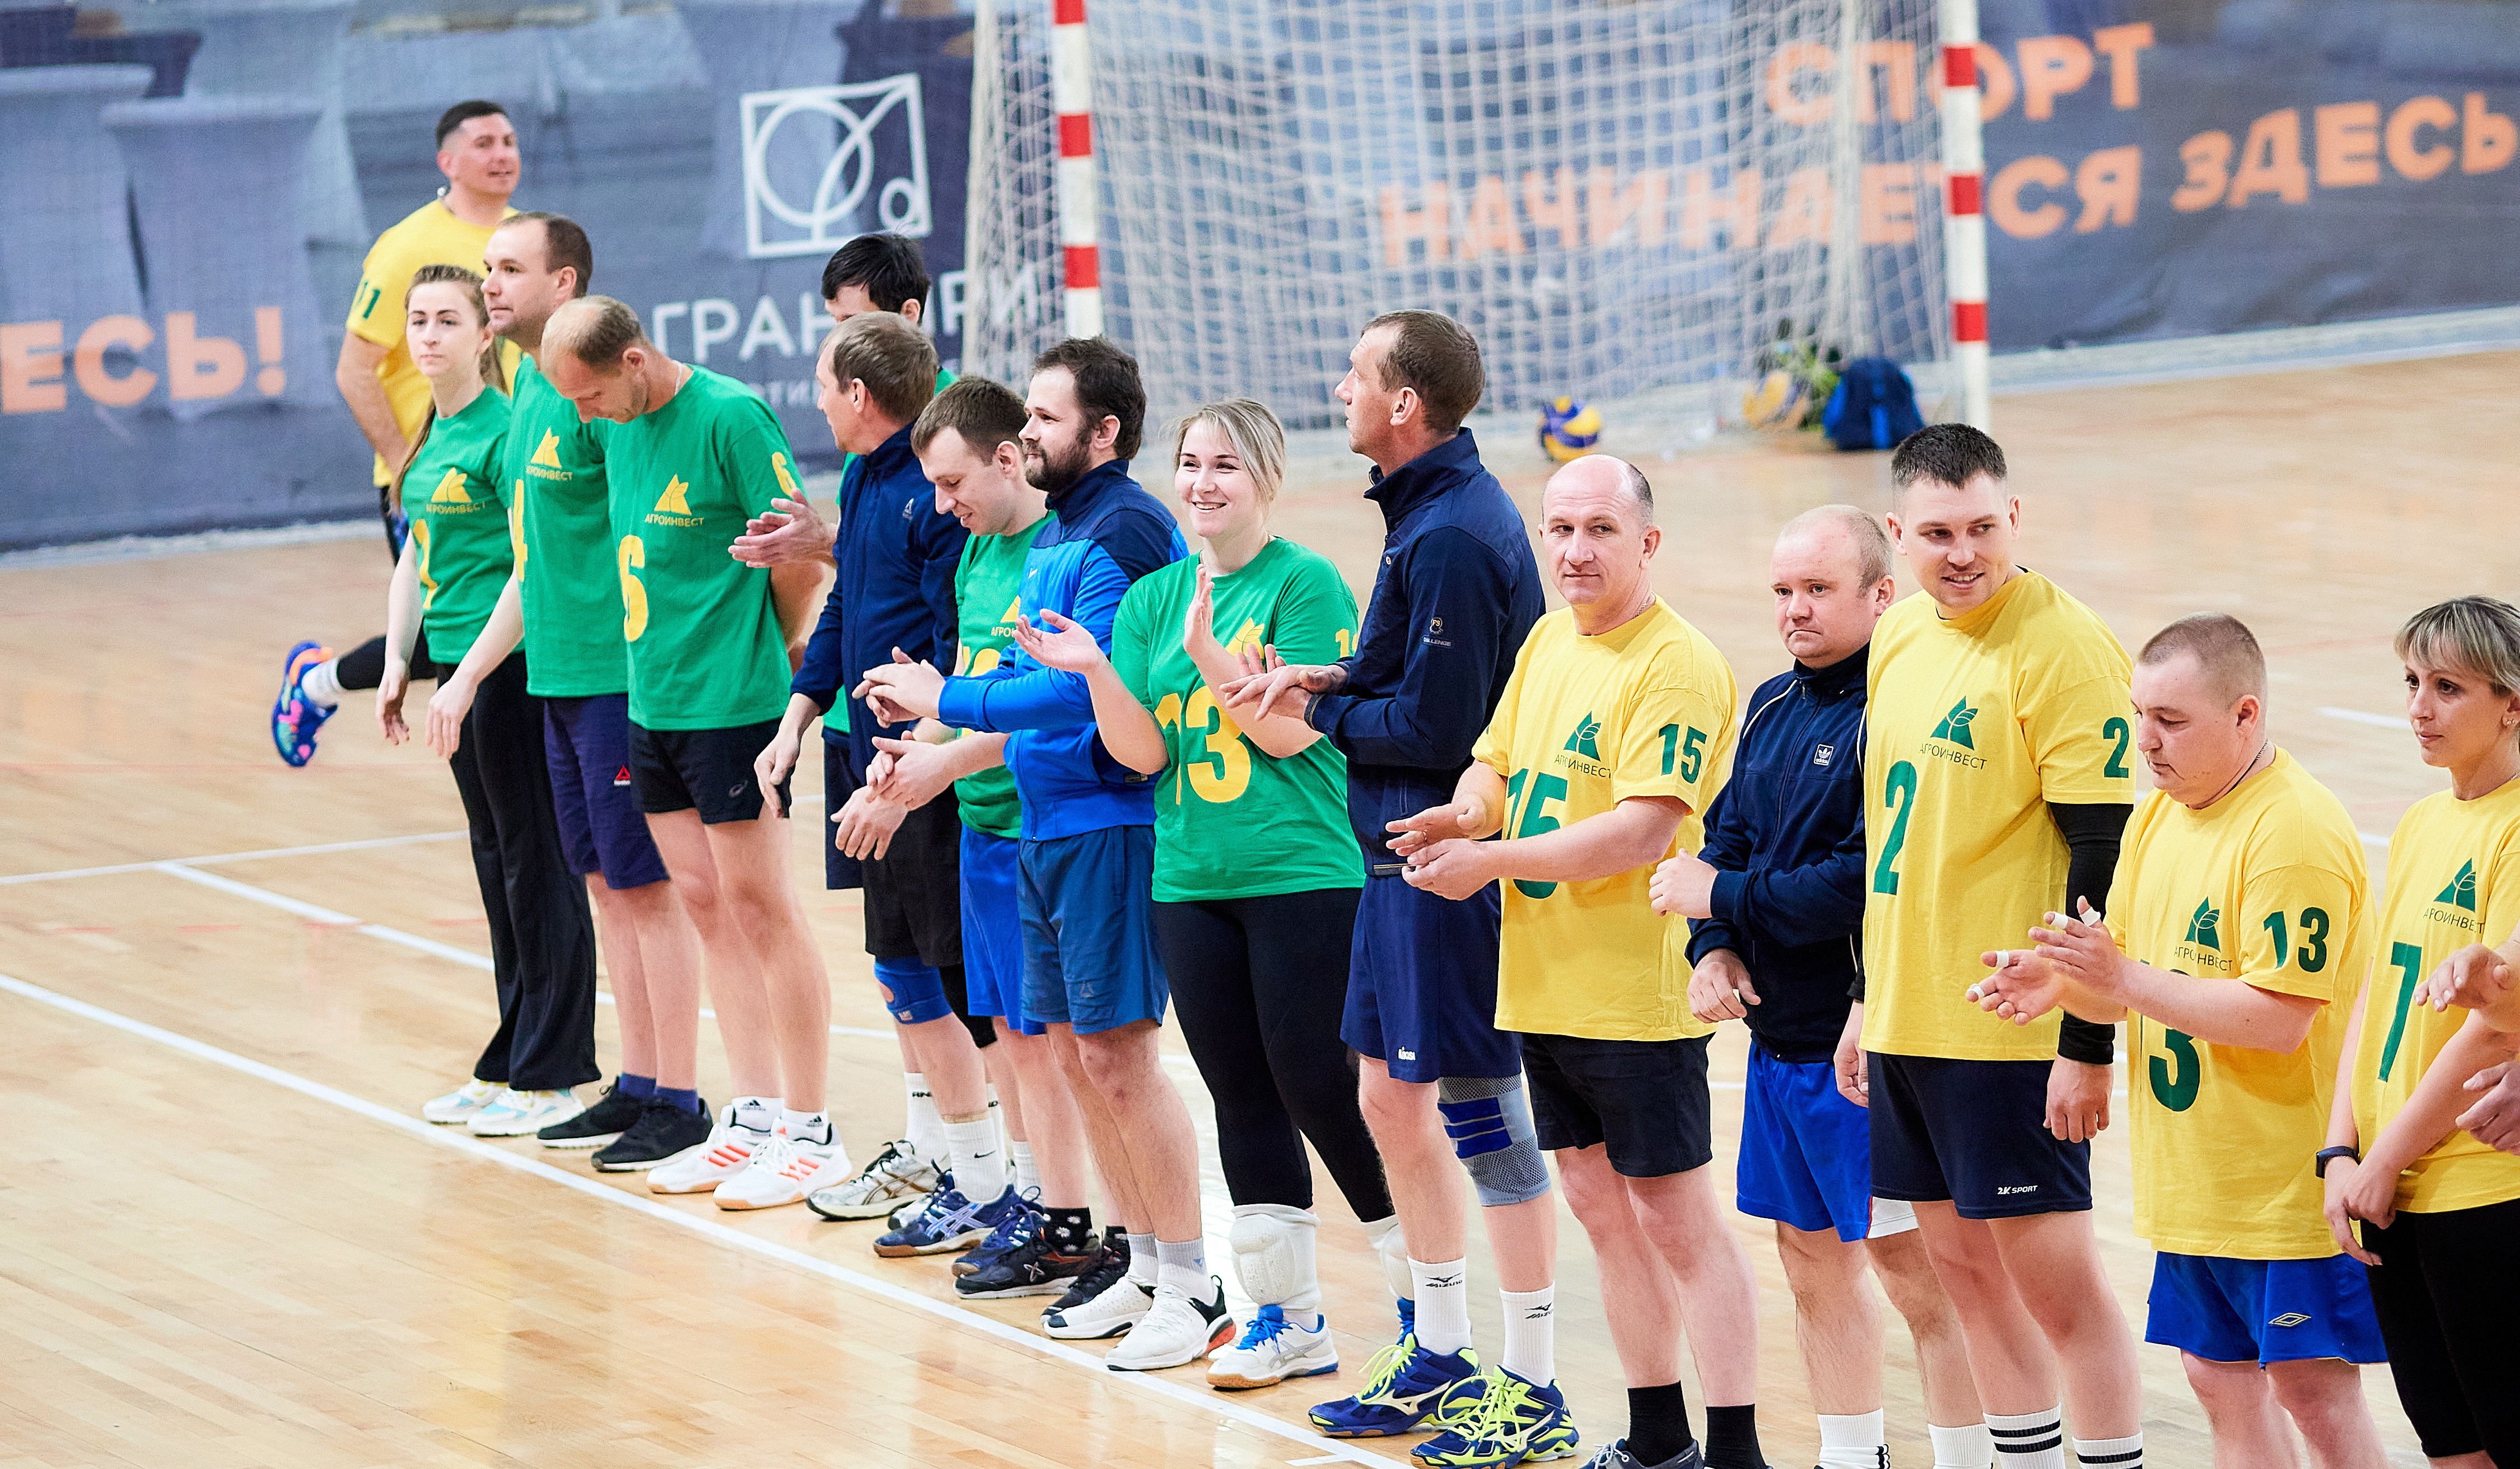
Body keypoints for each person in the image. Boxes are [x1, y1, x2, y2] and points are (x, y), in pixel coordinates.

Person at [1004, 396, 1399, 1391]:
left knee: (1318, 1084)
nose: (1202, 482)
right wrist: (1098, 668)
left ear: (1264, 477)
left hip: (1301, 873)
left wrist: (1213, 653)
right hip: (1190, 878)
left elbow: (1289, 735)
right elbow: (1141, 754)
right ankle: (1287, 1317)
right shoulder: (1154, 599)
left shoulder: (1304, 583)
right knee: (1243, 1094)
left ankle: (1422, 1301)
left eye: (1225, 465)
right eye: (1190, 463)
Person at [1221, 311, 1548, 1448]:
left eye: (1358, 376)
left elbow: (1439, 723)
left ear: (1404, 405)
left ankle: (1527, 1370)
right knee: (1383, 1099)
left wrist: (1322, 708)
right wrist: (1336, 671)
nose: (1341, 387)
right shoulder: (1423, 514)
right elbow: (1404, 677)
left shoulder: (1455, 530)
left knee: (1481, 1112)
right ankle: (1443, 1348)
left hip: (1442, 861)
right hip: (1392, 858)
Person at [855, 340, 1214, 1370]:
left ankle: (1191, 1278)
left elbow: (1076, 690)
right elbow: (1019, 666)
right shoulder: (1061, 532)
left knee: (1120, 1058)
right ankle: (1143, 1260)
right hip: (1044, 822)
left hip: (1108, 815)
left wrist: (944, 703)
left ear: (1102, 431)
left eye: (1048, 420)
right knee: (1070, 1050)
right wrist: (933, 736)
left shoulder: (1127, 527)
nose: (1030, 433)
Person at [1387, 455, 1747, 1469]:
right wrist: (1462, 809)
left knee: (1679, 1222)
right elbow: (1498, 760)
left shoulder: (1674, 665)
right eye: (1560, 529)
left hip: (1637, 996)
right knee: (1597, 1205)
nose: (1576, 550)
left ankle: (1738, 1447)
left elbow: (1641, 832)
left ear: (1648, 542)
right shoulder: (1550, 636)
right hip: (1545, 985)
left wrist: (1487, 858)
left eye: (1599, 529)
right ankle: (1660, 1436)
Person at [1975, 614, 2389, 1469]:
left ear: (2245, 715)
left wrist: (2118, 980)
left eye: (2172, 720)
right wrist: (2056, 978)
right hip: (2198, 1180)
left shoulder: (2291, 834)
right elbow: (2136, 965)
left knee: (2312, 1389)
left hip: (2288, 1188)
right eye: (2139, 715)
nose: (2147, 741)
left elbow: (2279, 1020)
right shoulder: (2161, 816)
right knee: (2217, 1380)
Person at [1656, 505, 1986, 1469]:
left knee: (1920, 1274)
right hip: (1780, 1048)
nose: (1795, 610)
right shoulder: (1768, 702)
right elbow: (1727, 841)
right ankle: (1854, 1454)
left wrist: (1719, 892)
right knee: (1809, 1262)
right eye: (1784, 590)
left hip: (1871, 1051)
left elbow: (1859, 877)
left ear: (1883, 595)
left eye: (1818, 589)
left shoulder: (1898, 715)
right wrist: (1712, 945)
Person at [1855, 424, 2145, 1469]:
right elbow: (1894, 835)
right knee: (1965, 1277)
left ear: (2014, 517)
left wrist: (2087, 1038)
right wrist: (1862, 996)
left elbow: (2104, 856)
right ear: (1899, 536)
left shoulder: (2066, 646)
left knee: (2059, 1290)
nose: (1963, 551)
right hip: (1906, 1016)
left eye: (1984, 526)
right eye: (1937, 532)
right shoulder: (1899, 636)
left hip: (2011, 1031)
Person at [416, 212, 718, 1171]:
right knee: (602, 886)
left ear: (566, 282)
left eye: (510, 269)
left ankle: (680, 1093)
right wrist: (462, 675)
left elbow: (659, 530)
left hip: (616, 679)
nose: (492, 283)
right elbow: (532, 565)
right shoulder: (535, 397)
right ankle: (634, 1080)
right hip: (553, 677)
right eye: (488, 268)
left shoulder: (597, 400)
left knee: (645, 887)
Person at [539, 295, 843, 1211]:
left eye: (591, 396)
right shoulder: (615, 424)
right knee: (707, 905)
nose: (584, 417)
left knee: (762, 906)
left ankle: (809, 1128)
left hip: (733, 704)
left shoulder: (729, 416)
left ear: (635, 360)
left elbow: (797, 551)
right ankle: (747, 1118)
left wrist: (775, 651)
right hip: (651, 699)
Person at [736, 232, 1006, 1228]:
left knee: (948, 972)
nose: (816, 388)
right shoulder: (858, 478)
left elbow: (951, 632)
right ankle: (938, 1151)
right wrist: (801, 711)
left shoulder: (940, 486)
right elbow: (851, 607)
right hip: (862, 744)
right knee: (899, 962)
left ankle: (984, 1176)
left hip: (920, 759)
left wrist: (920, 752)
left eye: (828, 366)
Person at [866, 378, 1103, 1301]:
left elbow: (1044, 709)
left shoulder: (1058, 555)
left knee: (1069, 1041)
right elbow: (965, 682)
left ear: (1011, 459)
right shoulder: (972, 558)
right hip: (984, 827)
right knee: (1009, 1030)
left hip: (1048, 824)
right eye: (930, 484)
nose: (941, 503)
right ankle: (1049, 1207)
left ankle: (1085, 1220)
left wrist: (942, 758)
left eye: (953, 480)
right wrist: (908, 752)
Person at [379, 265, 599, 1139]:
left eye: (447, 320)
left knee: (535, 859)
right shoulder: (432, 429)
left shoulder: (508, 431)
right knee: (495, 858)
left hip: (504, 668)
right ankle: (514, 1052)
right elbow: (413, 554)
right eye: (417, 320)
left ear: (482, 337)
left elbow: (528, 563)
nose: (429, 335)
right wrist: (400, 659)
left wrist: (469, 674)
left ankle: (553, 1069)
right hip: (454, 667)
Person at [2321, 597, 2520, 1468]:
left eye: (2448, 687)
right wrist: (2339, 1151)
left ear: (2513, 703)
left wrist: (2387, 1157)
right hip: (2392, 1183)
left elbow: (2495, 1026)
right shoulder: (2423, 822)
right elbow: (2376, 993)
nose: (2419, 708)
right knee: (2449, 1444)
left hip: (2480, 1188)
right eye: (2411, 683)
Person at [274, 100, 522, 766]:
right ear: (447, 162)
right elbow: (355, 370)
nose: (502, 154)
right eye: (483, 143)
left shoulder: (528, 239)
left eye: (509, 140)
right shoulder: (407, 247)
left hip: (512, 461)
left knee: (510, 621)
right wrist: (407, 467)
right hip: (438, 476)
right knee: (443, 634)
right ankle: (316, 684)